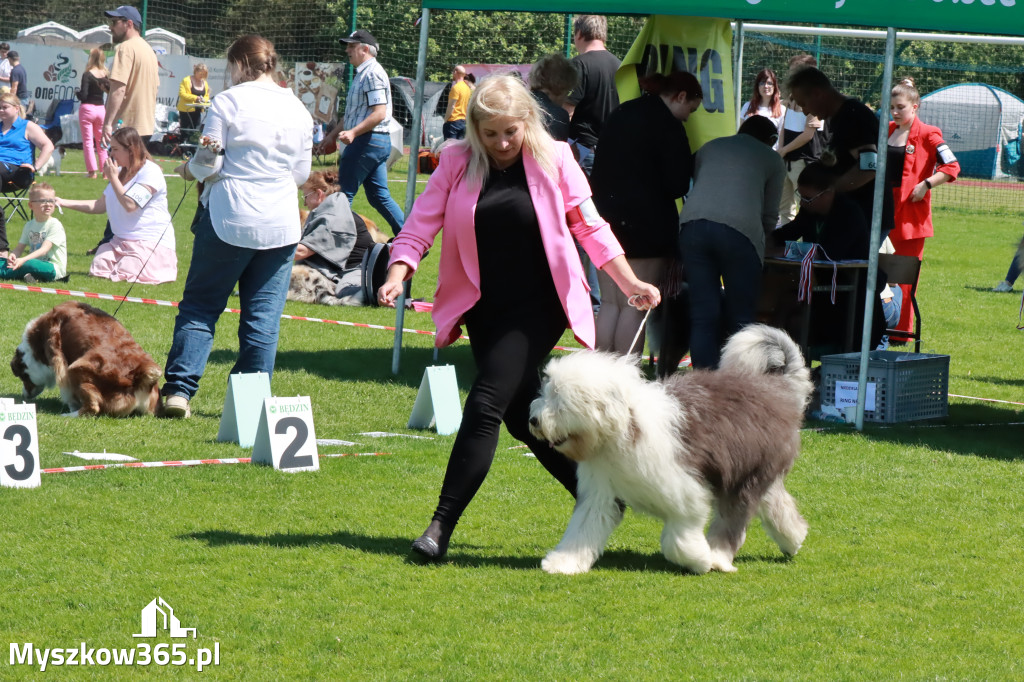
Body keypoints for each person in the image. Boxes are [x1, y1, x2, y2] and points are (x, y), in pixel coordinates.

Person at [377, 75, 661, 560]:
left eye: (510, 132)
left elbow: (589, 226)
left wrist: (630, 282)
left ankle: (438, 528)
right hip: (484, 306)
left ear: (526, 122)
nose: (502, 143)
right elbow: (420, 225)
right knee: (518, 415)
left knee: (486, 402)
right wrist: (398, 272)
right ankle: (602, 499)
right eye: (491, 134)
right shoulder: (454, 162)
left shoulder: (557, 159)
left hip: (542, 302)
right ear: (475, 129)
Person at [160, 35, 312, 419]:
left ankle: (179, 390)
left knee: (200, 306)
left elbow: (207, 162)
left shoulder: (228, 101)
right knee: (263, 317)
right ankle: (249, 404)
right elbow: (301, 174)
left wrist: (186, 170)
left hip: (231, 216)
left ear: (241, 64)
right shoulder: (298, 108)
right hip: (280, 222)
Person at [590, 70, 702, 355]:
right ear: (680, 96)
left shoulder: (622, 112)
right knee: (636, 304)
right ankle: (625, 381)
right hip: (646, 229)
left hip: (605, 222)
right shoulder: (668, 125)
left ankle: (598, 379)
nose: (688, 117)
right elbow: (678, 184)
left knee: (611, 303)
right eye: (689, 109)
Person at [679, 115, 786, 369]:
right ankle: (737, 382)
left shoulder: (711, 147)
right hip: (740, 232)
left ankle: (704, 381)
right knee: (741, 316)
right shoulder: (772, 158)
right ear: (771, 140)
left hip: (692, 226)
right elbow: (769, 215)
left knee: (703, 314)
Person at [768, 161, 887, 352]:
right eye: (801, 197)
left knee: (793, 309)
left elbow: (829, 252)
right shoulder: (809, 212)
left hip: (851, 301)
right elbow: (787, 232)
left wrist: (784, 251)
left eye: (808, 198)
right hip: (824, 295)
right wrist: (770, 239)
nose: (803, 203)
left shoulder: (849, 213)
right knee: (785, 303)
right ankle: (776, 354)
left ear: (828, 192)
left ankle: (792, 358)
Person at [886, 77, 959, 341]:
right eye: (892, 106)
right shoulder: (887, 131)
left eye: (901, 107)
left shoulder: (929, 133)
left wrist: (926, 184)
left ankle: (901, 332)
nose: (895, 112)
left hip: (910, 219)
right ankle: (879, 324)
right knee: (880, 274)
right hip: (883, 213)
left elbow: (951, 167)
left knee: (903, 277)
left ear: (915, 106)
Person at [58, 127, 177, 284]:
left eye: (115, 149)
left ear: (130, 150)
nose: (111, 154)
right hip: (120, 241)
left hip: (148, 240)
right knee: (99, 267)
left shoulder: (151, 172)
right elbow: (100, 205)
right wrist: (61, 201)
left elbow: (130, 205)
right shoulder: (120, 171)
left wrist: (113, 178)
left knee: (126, 270)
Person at [787, 67, 894, 240]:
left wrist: (827, 194)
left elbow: (869, 167)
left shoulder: (852, 117)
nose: (805, 112)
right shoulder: (839, 118)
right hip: (854, 215)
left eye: (804, 104)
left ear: (817, 93)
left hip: (867, 215)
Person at [319, 30, 404, 236]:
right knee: (378, 196)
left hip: (368, 141)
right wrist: (331, 136)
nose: (347, 50)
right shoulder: (364, 73)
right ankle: (410, 239)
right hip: (375, 142)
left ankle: (334, 244)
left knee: (342, 194)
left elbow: (379, 113)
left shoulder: (372, 74)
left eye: (351, 46)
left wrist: (354, 133)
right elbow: (353, 116)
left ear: (365, 49)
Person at [289, 170, 376, 306]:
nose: (304, 203)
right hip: (344, 270)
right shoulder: (328, 211)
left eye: (305, 197)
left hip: (360, 272)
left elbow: (302, 251)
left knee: (343, 292)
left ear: (318, 194)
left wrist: (269, 251)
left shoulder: (332, 217)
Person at [564, 14, 620, 175]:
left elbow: (567, 111)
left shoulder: (578, 64)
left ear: (579, 33)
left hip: (583, 151)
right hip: (612, 150)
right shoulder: (620, 65)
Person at [778, 54, 825, 225]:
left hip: (805, 162)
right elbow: (784, 125)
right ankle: (784, 246)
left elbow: (808, 134)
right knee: (784, 209)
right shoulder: (791, 98)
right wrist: (781, 150)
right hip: (786, 161)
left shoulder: (815, 99)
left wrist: (784, 150)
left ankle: (809, 247)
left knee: (807, 208)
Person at [102, 5, 159, 147]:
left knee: (115, 169)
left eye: (115, 22)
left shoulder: (125, 47)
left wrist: (108, 123)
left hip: (126, 127)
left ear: (129, 24)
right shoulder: (148, 50)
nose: (111, 27)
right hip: (145, 127)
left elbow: (119, 89)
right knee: (136, 169)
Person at [1, 182, 67, 283]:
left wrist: (23, 260)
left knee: (30, 264)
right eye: (43, 201)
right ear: (31, 205)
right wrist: (13, 256)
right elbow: (19, 248)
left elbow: (44, 250)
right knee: (3, 262)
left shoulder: (55, 225)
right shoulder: (29, 225)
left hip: (52, 268)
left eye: (51, 200)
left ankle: (11, 273)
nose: (48, 204)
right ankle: (29, 276)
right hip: (31, 262)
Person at [0, 92, 54, 211]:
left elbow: (48, 146)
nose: (1, 110)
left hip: (19, 171)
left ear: (16, 108)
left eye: (5, 107)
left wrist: (36, 166)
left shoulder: (28, 126)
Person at [528, 53, 577, 141]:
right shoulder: (559, 115)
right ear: (562, 86)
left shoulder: (519, 102)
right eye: (568, 91)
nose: (566, 98)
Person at [79, 48, 110, 180]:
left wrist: (77, 93)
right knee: (101, 141)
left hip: (87, 109)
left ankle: (92, 172)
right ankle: (105, 172)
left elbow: (84, 95)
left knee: (88, 142)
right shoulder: (105, 74)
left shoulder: (87, 74)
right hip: (101, 109)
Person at [741, 68, 786, 151]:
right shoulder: (747, 106)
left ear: (774, 86)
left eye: (769, 83)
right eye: (762, 83)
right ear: (757, 86)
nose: (765, 86)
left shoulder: (782, 110)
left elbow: (781, 137)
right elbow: (741, 133)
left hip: (770, 155)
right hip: (748, 153)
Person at [177, 63, 210, 131]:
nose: (202, 76)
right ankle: (183, 141)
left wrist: (204, 100)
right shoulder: (186, 80)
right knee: (186, 131)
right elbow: (182, 94)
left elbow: (206, 96)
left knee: (196, 131)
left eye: (203, 74)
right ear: (195, 71)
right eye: (200, 73)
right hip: (186, 110)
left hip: (198, 110)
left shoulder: (205, 83)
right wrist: (195, 98)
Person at [442, 65, 471, 140]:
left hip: (453, 121)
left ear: (455, 72)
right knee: (459, 148)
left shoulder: (456, 88)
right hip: (463, 121)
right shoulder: (467, 88)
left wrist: (445, 120)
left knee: (449, 147)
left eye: (453, 72)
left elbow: (451, 106)